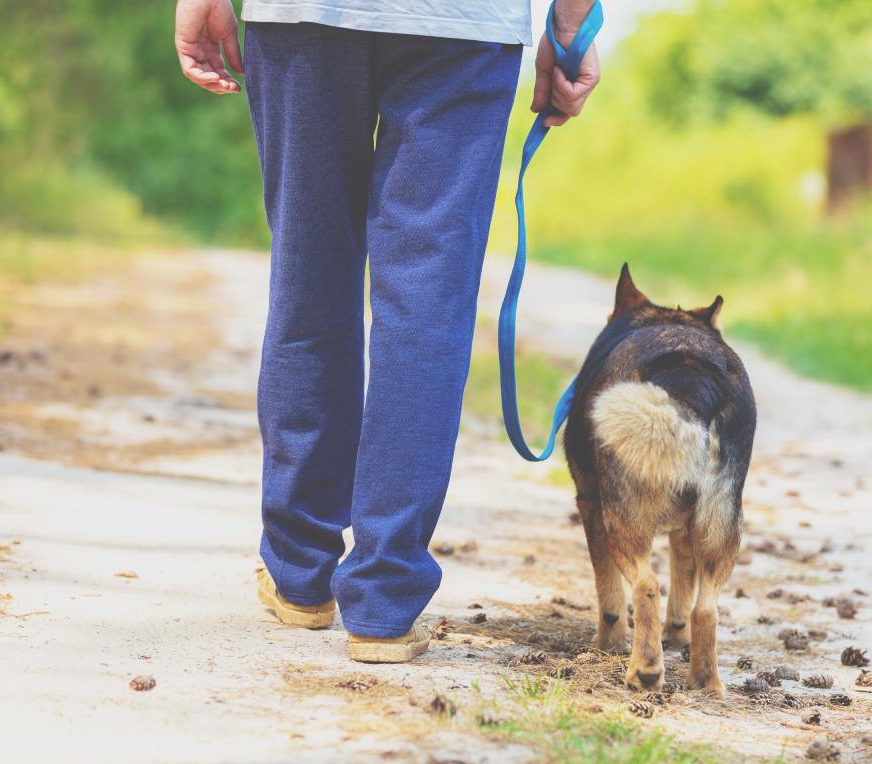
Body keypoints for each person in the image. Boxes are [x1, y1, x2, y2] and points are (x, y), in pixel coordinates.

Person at [174, 0, 600, 662]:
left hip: (303, 17)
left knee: (309, 271)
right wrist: (571, 24)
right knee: (428, 296)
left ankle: (298, 572)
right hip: (464, 26)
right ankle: (384, 600)